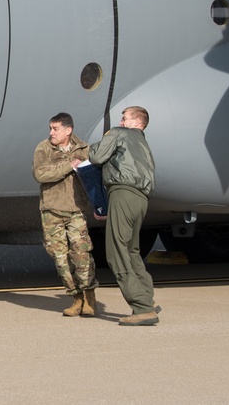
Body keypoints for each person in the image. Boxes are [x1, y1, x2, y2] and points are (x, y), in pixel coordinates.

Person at [86, 106, 158, 326]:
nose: (121, 120)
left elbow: (97, 156)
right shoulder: (142, 143)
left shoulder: (119, 133)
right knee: (132, 249)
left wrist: (101, 141)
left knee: (116, 251)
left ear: (137, 122)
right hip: (141, 198)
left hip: (123, 192)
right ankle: (147, 298)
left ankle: (142, 307)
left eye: (125, 118)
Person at [32, 112, 98, 317]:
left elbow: (94, 178)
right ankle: (75, 297)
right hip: (51, 210)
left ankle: (89, 296)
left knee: (81, 255)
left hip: (76, 210)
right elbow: (41, 174)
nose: (51, 133)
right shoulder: (43, 149)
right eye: (50, 128)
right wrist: (68, 166)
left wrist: (98, 205)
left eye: (56, 129)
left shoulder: (83, 149)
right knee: (60, 258)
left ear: (68, 130)